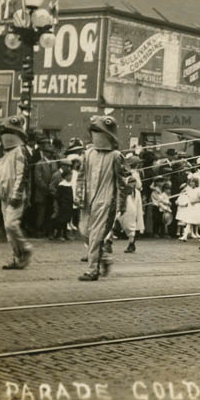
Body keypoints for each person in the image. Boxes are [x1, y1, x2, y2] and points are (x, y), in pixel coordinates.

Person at [76, 115, 126, 281]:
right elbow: (81, 176)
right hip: (88, 199)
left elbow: (121, 182)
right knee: (84, 231)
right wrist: (79, 195)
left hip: (105, 200)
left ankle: (92, 270)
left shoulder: (116, 156)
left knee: (96, 235)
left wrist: (120, 203)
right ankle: (103, 258)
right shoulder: (88, 153)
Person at [0, 116, 33, 269]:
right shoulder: (7, 152)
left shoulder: (20, 151)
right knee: (8, 229)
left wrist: (17, 194)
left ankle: (25, 249)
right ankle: (17, 258)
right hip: (5, 195)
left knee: (11, 225)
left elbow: (22, 175)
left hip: (15, 195)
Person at [118, 154, 145, 253]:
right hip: (129, 195)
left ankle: (131, 242)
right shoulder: (134, 173)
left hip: (130, 195)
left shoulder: (132, 174)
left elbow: (137, 185)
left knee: (129, 215)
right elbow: (139, 185)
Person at [52, 160, 75, 241]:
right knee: (61, 220)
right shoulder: (62, 184)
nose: (71, 177)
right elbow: (58, 195)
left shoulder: (69, 185)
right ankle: (58, 234)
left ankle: (65, 234)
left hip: (68, 205)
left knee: (66, 220)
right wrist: (61, 202)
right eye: (69, 176)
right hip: (63, 205)